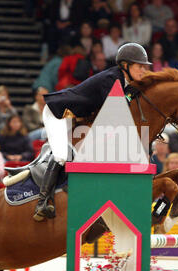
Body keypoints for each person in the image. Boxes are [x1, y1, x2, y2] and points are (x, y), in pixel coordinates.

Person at [36, 42, 151, 221]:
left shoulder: (125, 83)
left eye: (145, 67)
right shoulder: (112, 79)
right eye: (140, 66)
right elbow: (116, 116)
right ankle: (43, 201)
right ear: (126, 66)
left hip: (73, 118)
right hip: (57, 112)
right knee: (61, 154)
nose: (144, 70)